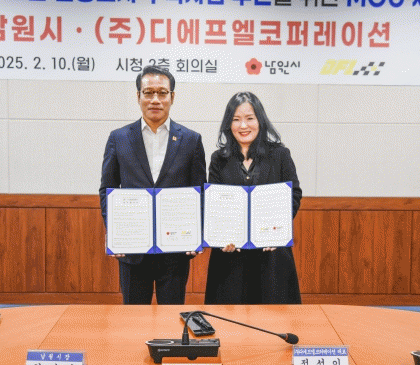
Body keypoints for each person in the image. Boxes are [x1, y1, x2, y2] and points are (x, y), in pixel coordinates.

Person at [99, 65, 206, 304]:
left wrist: (197, 235)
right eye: (148, 93)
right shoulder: (119, 138)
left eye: (162, 93)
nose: (155, 99)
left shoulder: (191, 140)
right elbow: (107, 190)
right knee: (135, 317)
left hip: (176, 250)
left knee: (172, 315)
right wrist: (114, 232)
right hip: (132, 250)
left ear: (172, 97)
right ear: (138, 96)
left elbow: (200, 192)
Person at [204, 91, 302, 304]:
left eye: (249, 118)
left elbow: (294, 194)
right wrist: (222, 237)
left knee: (274, 317)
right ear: (228, 124)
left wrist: (278, 230)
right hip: (231, 259)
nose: (243, 126)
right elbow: (214, 204)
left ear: (260, 120)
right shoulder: (219, 159)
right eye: (236, 119)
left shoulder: (280, 155)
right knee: (229, 319)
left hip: (271, 256)